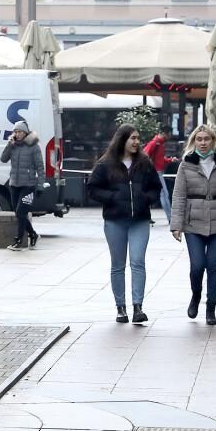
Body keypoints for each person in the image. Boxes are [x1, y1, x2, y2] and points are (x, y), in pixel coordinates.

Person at [87, 125, 162, 324]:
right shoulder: (105, 163)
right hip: (115, 220)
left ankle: (138, 307)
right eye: (133, 138)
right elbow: (93, 188)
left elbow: (156, 187)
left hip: (139, 220)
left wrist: (145, 199)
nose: (137, 142)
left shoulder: (144, 163)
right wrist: (112, 197)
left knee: (137, 261)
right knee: (118, 265)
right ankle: (120, 308)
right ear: (122, 140)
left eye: (138, 138)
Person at [170, 123, 216, 326]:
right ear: (194, 141)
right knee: (197, 266)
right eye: (199, 139)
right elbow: (178, 195)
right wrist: (176, 225)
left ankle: (211, 308)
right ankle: (196, 295)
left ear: (213, 141)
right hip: (193, 221)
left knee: (212, 265)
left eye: (206, 139)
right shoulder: (186, 162)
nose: (203, 143)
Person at [1, 118, 43, 249]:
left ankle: (18, 240)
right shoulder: (13, 146)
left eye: (19, 131)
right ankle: (32, 234)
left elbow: (40, 167)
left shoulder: (33, 147)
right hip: (14, 184)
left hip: (28, 185)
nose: (17, 134)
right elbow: (3, 159)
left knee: (20, 212)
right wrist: (9, 145)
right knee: (19, 213)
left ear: (25, 133)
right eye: (15, 131)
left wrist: (40, 185)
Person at [143, 122, 174, 217]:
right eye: (169, 134)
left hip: (156, 172)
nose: (170, 137)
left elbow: (159, 160)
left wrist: (169, 160)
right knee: (164, 195)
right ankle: (171, 218)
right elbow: (144, 156)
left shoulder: (159, 144)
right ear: (165, 133)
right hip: (155, 172)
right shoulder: (154, 143)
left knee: (162, 194)